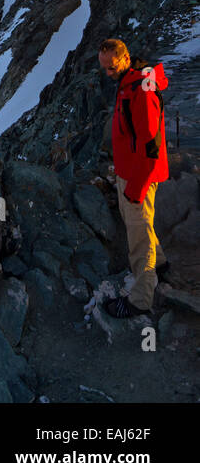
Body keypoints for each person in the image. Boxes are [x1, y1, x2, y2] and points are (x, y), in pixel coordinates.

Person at [97, 38, 169, 318]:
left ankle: (140, 300)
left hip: (138, 177)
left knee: (138, 236)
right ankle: (159, 264)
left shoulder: (141, 91)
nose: (108, 74)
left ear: (125, 59)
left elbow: (150, 148)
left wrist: (135, 188)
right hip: (128, 173)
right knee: (138, 225)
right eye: (104, 68)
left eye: (112, 68)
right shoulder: (129, 82)